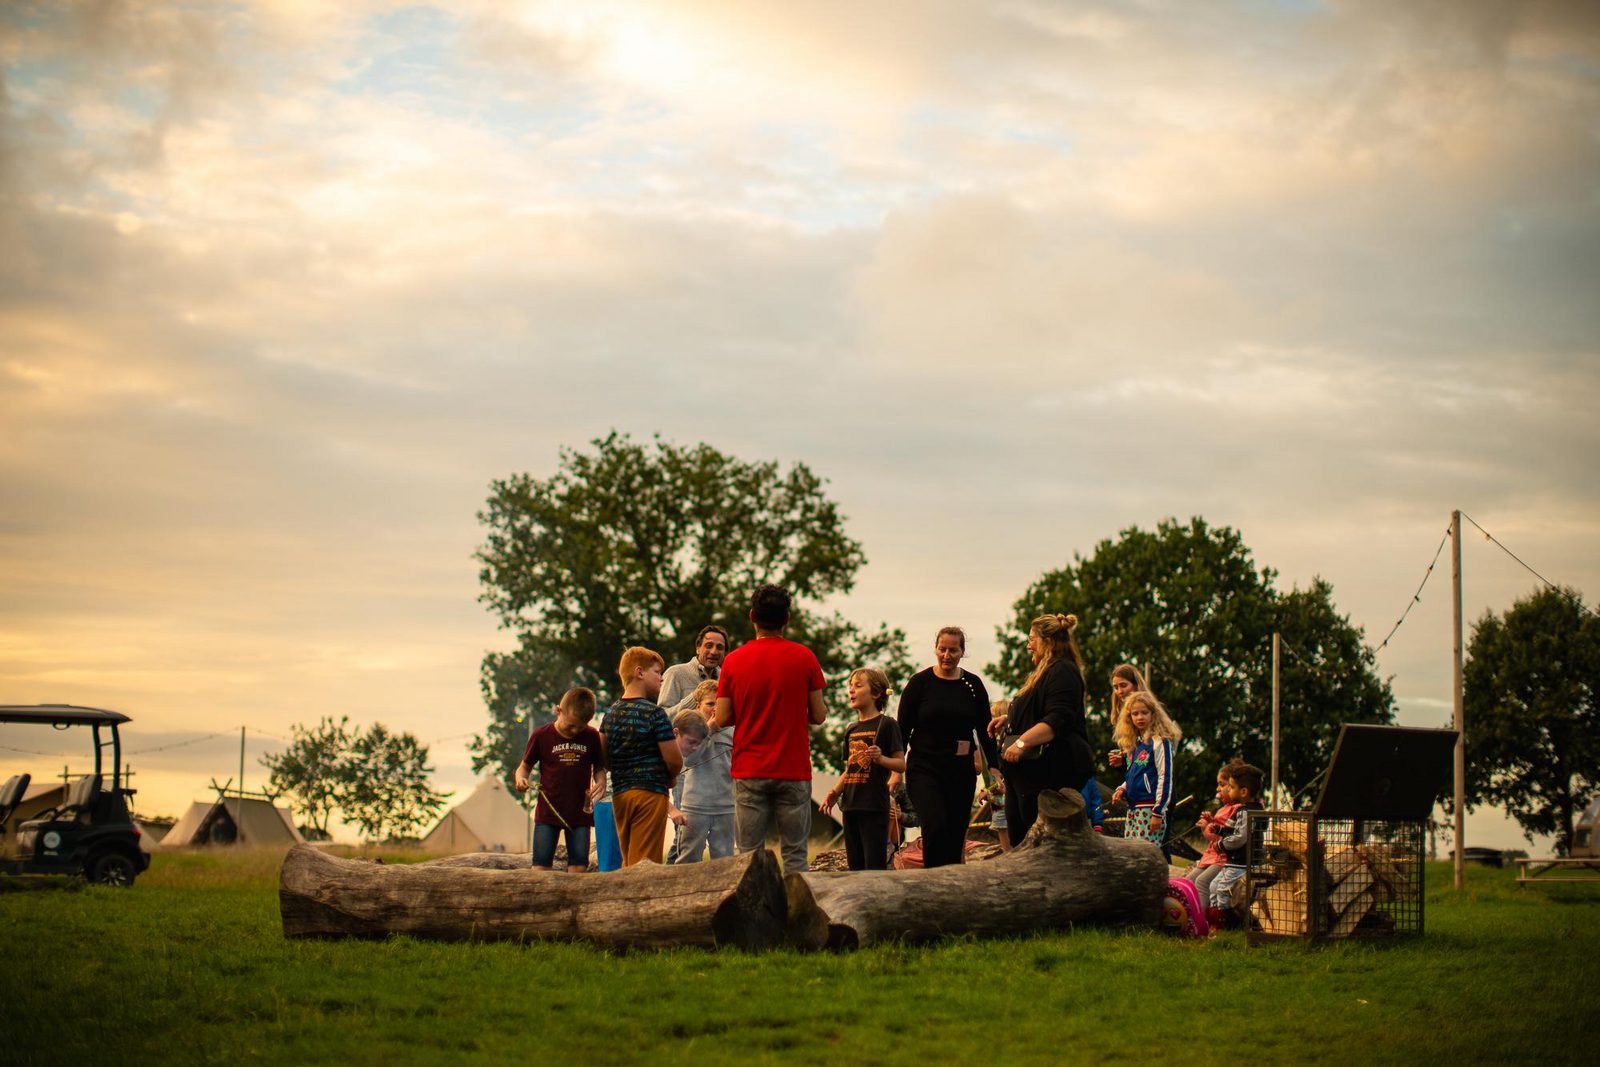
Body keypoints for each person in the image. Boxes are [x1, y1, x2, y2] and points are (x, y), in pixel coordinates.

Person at [713, 584, 827, 876]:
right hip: (793, 768)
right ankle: (798, 917)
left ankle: (750, 920)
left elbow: (723, 716)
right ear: (787, 619)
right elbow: (818, 715)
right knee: (796, 856)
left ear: (752, 616)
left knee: (747, 857)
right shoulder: (805, 658)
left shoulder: (733, 661)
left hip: (749, 768)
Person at [896, 627, 999, 868]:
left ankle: (953, 887)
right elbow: (901, 731)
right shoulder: (920, 683)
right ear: (935, 649)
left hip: (960, 769)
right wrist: (895, 771)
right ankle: (933, 880)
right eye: (942, 649)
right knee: (935, 824)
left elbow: (986, 731)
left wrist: (994, 769)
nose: (947, 655)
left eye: (953, 650)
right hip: (924, 767)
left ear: (962, 652)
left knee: (955, 833)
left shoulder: (972, 685)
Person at [993, 613, 1094, 843]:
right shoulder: (1045, 671)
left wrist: (1021, 743)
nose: (1028, 645)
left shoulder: (1063, 670)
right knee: (1020, 839)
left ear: (1047, 642)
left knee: (1038, 841)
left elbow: (1057, 719)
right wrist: (1009, 719)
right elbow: (1038, 710)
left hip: (1047, 772)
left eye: (1032, 639)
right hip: (1024, 775)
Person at [600, 646, 683, 866]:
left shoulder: (610, 714)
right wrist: (671, 776)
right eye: (657, 672)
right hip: (650, 794)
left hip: (620, 795)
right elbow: (674, 760)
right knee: (645, 863)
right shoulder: (654, 714)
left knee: (629, 857)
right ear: (639, 672)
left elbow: (604, 757)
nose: (661, 678)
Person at [820, 668, 906, 871]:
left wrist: (881, 758)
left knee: (873, 866)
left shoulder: (887, 725)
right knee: (854, 865)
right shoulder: (851, 728)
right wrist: (834, 792)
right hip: (850, 805)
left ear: (876, 693)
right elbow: (850, 767)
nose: (851, 690)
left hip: (874, 806)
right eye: (850, 686)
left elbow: (901, 764)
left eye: (858, 686)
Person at [514, 687, 606, 871]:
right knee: (540, 868)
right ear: (558, 711)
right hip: (548, 813)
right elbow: (523, 768)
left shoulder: (591, 736)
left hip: (580, 814)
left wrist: (601, 780)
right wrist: (521, 780)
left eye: (580, 726)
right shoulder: (541, 736)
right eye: (571, 725)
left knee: (579, 867)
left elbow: (599, 768)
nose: (574, 730)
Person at [669, 688, 735, 864]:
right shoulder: (692, 734)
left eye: (720, 704)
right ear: (698, 707)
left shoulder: (732, 732)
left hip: (725, 807)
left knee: (724, 859)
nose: (715, 709)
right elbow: (689, 761)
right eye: (710, 704)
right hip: (695, 806)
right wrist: (708, 731)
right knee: (688, 857)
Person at [1109, 690, 1182, 852]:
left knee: (1146, 854)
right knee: (1131, 853)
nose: (1140, 717)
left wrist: (1158, 811)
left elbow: (1165, 776)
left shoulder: (1160, 742)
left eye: (1144, 712)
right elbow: (1134, 773)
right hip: (1134, 808)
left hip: (1150, 809)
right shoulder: (1134, 745)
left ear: (1153, 714)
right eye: (1135, 714)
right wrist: (1123, 788)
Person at [1206, 761, 1265, 928]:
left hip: (1242, 862)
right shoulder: (1241, 810)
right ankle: (1214, 921)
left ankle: (1223, 925)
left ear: (1244, 791)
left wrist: (1221, 845)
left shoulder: (1248, 812)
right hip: (1233, 862)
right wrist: (1218, 829)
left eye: (1231, 787)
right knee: (1213, 886)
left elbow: (1240, 838)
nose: (1229, 790)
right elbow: (1231, 830)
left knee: (1223, 890)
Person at [1184, 759, 1246, 904]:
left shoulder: (1237, 810)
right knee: (1188, 881)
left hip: (1222, 858)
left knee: (1202, 882)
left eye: (1222, 785)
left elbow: (1223, 836)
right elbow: (1213, 837)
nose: (1218, 789)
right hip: (1211, 857)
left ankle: (1203, 918)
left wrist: (1208, 827)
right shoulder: (1222, 809)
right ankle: (1190, 914)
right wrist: (1207, 825)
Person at [659, 625, 729, 714]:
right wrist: (693, 697)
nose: (714, 652)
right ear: (698, 649)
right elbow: (662, 717)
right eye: (709, 646)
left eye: (719, 647)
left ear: (724, 653)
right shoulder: (675, 673)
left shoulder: (726, 679)